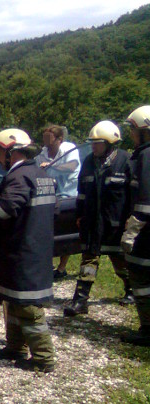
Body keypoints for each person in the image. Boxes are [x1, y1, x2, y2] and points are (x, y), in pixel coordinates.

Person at [0, 129, 56, 373]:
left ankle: (43, 357)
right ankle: (15, 348)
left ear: (10, 151)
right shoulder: (40, 174)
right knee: (14, 301)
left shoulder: (19, 177)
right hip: (31, 249)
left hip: (23, 251)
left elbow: (6, 208)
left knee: (28, 306)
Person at [64, 121, 133, 317]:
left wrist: (131, 219)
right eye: (92, 143)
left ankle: (131, 290)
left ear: (110, 144)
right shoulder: (88, 162)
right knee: (89, 259)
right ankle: (81, 300)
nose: (93, 146)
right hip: (92, 223)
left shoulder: (125, 162)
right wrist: (79, 215)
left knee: (119, 261)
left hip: (116, 224)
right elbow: (81, 194)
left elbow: (133, 196)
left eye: (98, 143)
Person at [120, 106, 150, 346]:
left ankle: (148, 328)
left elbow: (146, 199)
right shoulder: (142, 154)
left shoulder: (147, 156)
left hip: (145, 233)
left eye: (132, 129)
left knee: (141, 279)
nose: (130, 134)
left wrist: (132, 230)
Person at [35, 125, 81, 279]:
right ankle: (48, 264)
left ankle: (62, 268)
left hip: (68, 195)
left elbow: (72, 166)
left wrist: (52, 166)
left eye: (49, 138)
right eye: (44, 137)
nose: (46, 141)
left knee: (65, 229)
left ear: (59, 139)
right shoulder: (42, 154)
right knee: (48, 230)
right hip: (50, 196)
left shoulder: (69, 148)